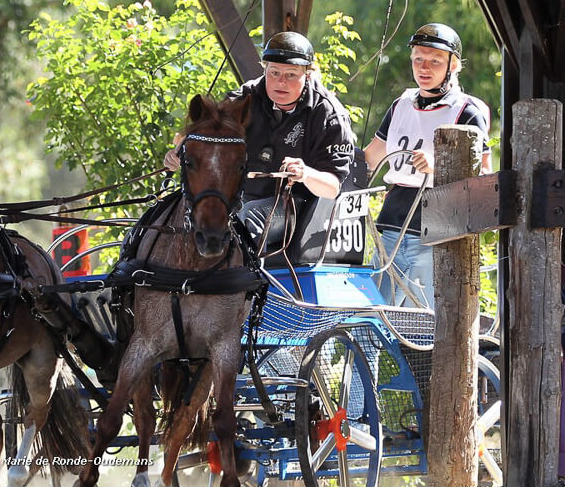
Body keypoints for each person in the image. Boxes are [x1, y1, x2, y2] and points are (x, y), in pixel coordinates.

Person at [165, 31, 357, 246]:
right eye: (273, 72)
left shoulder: (329, 116)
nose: (281, 82)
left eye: (291, 74)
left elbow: (332, 188)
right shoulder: (244, 98)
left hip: (296, 205)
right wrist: (180, 150)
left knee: (245, 222)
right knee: (177, 214)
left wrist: (306, 173)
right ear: (265, 69)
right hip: (240, 195)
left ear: (308, 74)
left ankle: (241, 278)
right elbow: (209, 134)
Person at [363, 23, 491, 307]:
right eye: (418, 58)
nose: (424, 67)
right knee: (371, 318)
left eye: (435, 60)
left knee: (423, 327)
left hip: (436, 235)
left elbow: (484, 178)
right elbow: (371, 157)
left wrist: (440, 165)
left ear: (453, 65)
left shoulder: (467, 111)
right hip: (392, 229)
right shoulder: (401, 104)